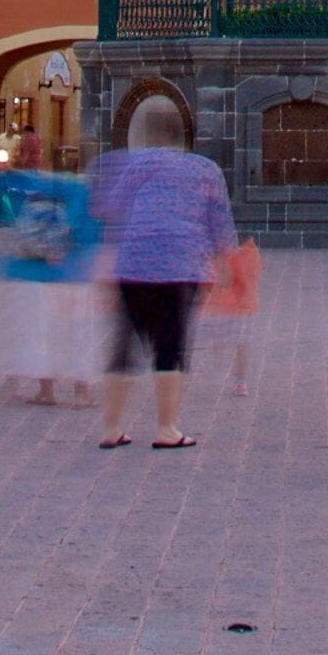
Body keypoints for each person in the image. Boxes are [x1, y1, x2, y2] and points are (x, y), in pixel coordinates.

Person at [90, 107, 235, 451]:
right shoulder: (206, 169)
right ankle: (166, 428)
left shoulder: (137, 164)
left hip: (134, 264)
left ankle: (111, 428)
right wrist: (225, 266)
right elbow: (220, 223)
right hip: (182, 266)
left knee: (123, 346)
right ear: (185, 134)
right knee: (170, 345)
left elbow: (112, 209)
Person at [0, 157, 100, 403]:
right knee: (79, 332)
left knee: (41, 332)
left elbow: (5, 217)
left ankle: (46, 391)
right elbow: (93, 231)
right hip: (75, 273)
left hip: (33, 273)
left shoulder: (30, 190)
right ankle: (82, 392)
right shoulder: (83, 191)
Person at [206, 235, 262, 395]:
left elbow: (224, 280)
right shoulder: (252, 252)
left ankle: (219, 362)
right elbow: (254, 276)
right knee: (242, 343)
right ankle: (241, 383)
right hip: (246, 304)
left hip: (227, 306)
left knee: (224, 336)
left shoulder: (225, 254)